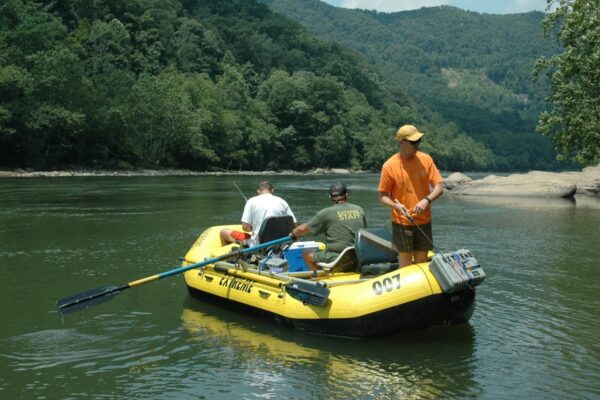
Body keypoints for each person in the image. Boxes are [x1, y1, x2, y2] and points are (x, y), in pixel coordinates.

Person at [378, 124, 443, 268]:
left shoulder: (426, 159)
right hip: (402, 221)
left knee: (422, 261)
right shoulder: (389, 166)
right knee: (406, 265)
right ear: (401, 142)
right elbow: (383, 196)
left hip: (424, 219)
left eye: (419, 141)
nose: (417, 145)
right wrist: (395, 205)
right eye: (413, 142)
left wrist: (426, 200)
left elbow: (439, 188)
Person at [291, 182, 366, 271]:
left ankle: (318, 279)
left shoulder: (326, 213)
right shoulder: (359, 209)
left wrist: (293, 234)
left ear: (330, 197)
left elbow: (302, 229)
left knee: (307, 254)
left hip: (337, 258)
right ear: (346, 194)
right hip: (358, 256)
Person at [220, 181, 296, 247]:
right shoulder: (282, 202)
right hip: (280, 245)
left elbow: (245, 227)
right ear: (272, 190)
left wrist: (252, 227)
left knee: (223, 232)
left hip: (258, 245)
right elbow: (294, 225)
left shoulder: (251, 202)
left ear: (258, 191)